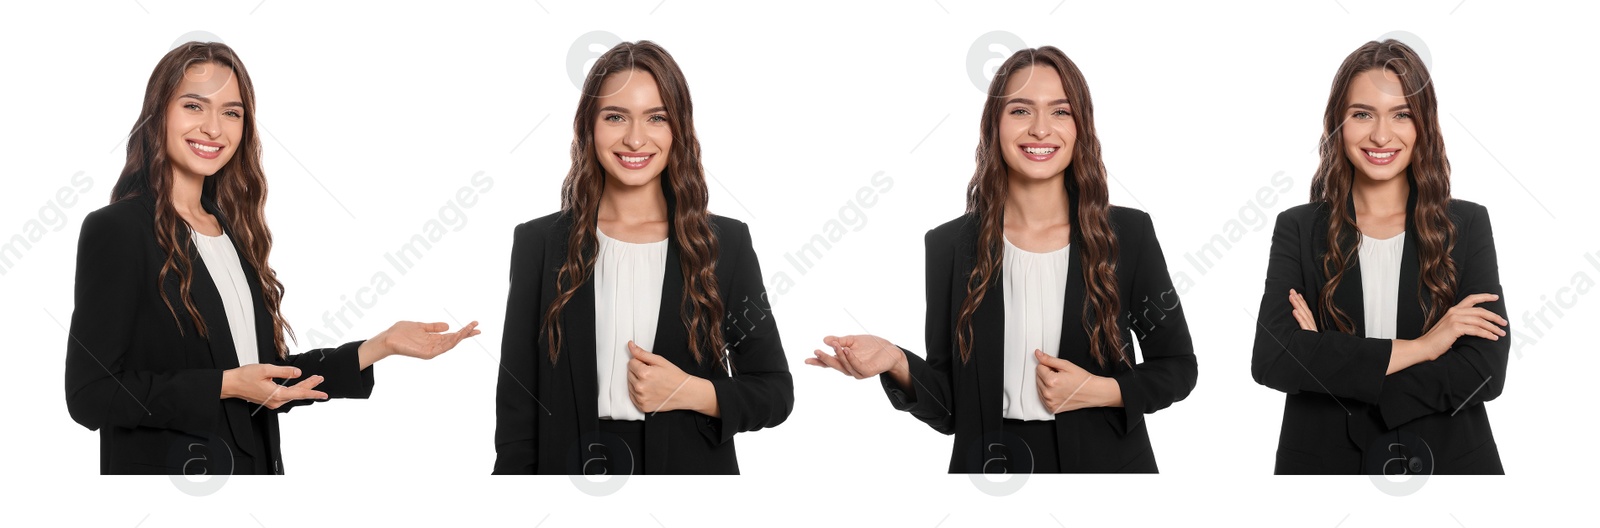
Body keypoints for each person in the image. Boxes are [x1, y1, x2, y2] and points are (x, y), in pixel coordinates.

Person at [64, 41, 480, 475]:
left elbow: (264, 377)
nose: (213, 128)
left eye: (231, 112)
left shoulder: (231, 233)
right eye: (193, 106)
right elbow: (91, 395)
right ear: (159, 114)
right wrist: (224, 386)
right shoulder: (118, 230)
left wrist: (380, 346)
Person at [808, 46, 1197, 473]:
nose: (1040, 129)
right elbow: (950, 409)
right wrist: (896, 361)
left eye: (1061, 112)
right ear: (995, 124)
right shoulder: (949, 245)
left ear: (1081, 126)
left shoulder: (1128, 234)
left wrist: (1101, 390)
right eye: (1020, 111)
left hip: (1107, 467)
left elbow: (1178, 367)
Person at [493, 41, 792, 475]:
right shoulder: (539, 242)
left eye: (657, 117)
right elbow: (517, 406)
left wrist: (691, 392)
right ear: (588, 127)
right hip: (567, 476)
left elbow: (775, 392)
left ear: (678, 130)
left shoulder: (724, 243)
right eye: (615, 116)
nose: (635, 138)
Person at [1251, 39, 1508, 474]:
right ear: (1338, 122)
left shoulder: (1466, 224)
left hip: (1449, 463)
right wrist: (1427, 347)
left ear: (1423, 124)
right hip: (1323, 465)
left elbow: (1483, 370)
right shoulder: (1298, 227)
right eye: (1362, 114)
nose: (1381, 135)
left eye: (1401, 114)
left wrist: (1329, 359)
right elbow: (1273, 360)